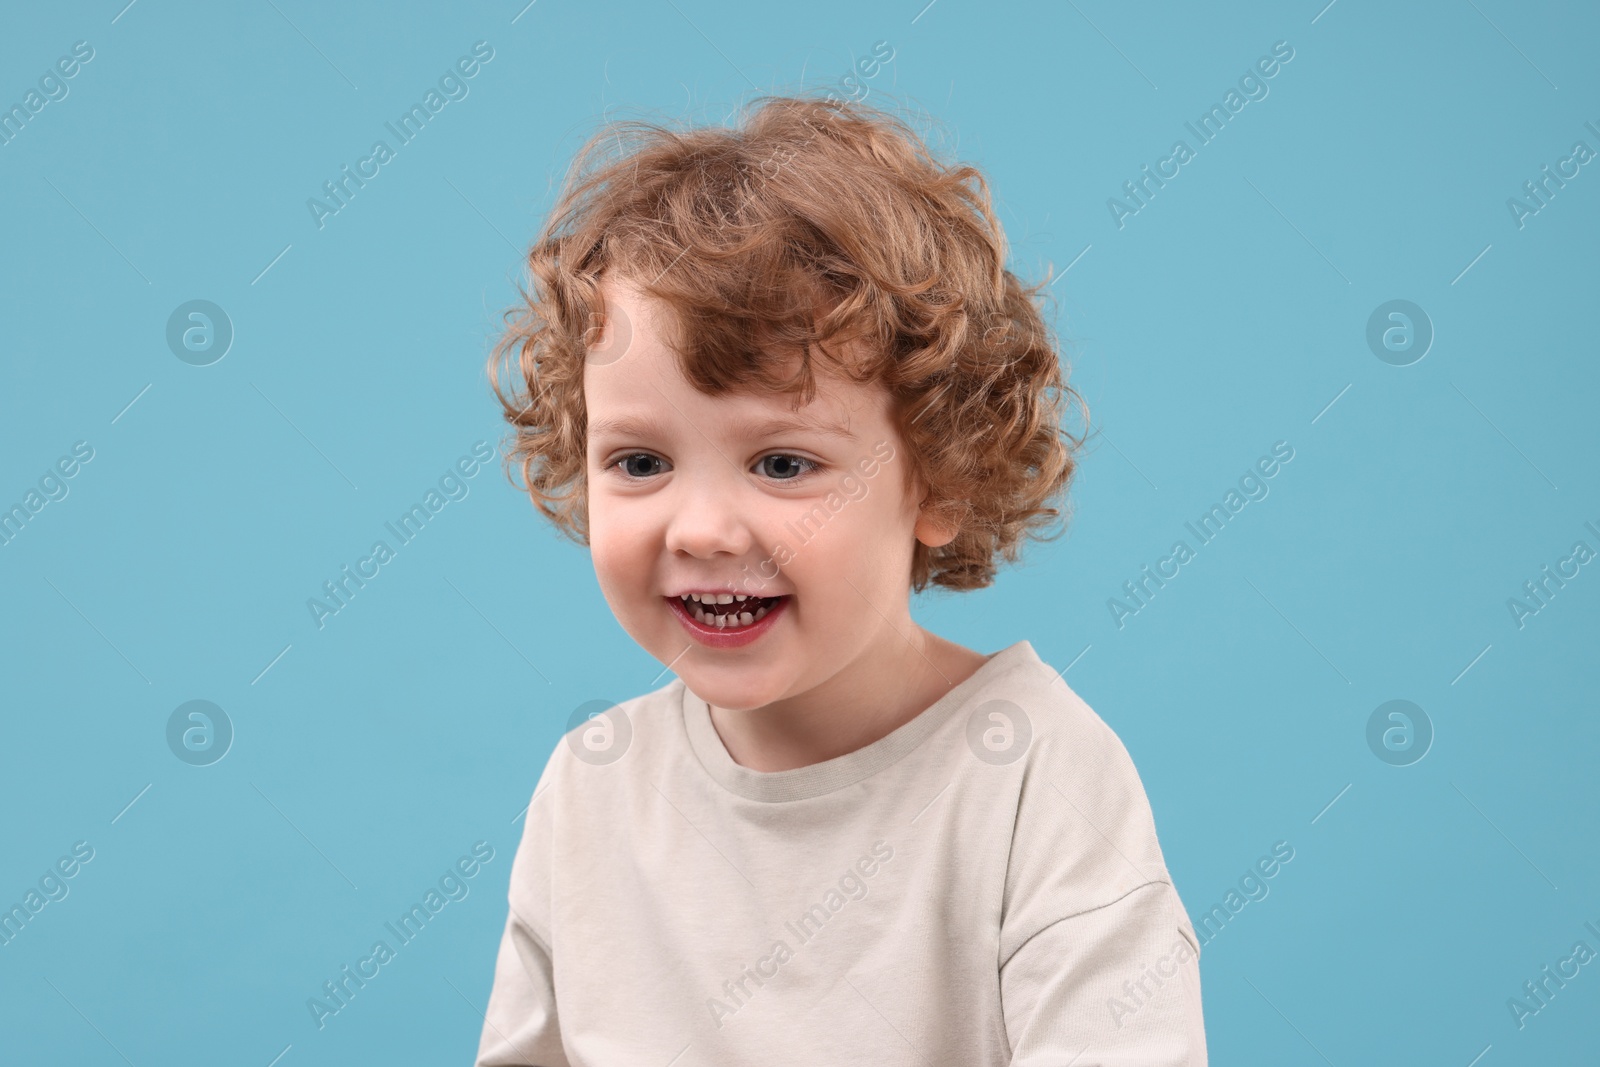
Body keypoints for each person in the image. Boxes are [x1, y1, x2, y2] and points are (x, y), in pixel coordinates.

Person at [475, 93, 1206, 1066]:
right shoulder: (590, 788)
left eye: (782, 463)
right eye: (640, 462)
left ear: (939, 476)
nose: (699, 528)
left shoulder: (1035, 777)